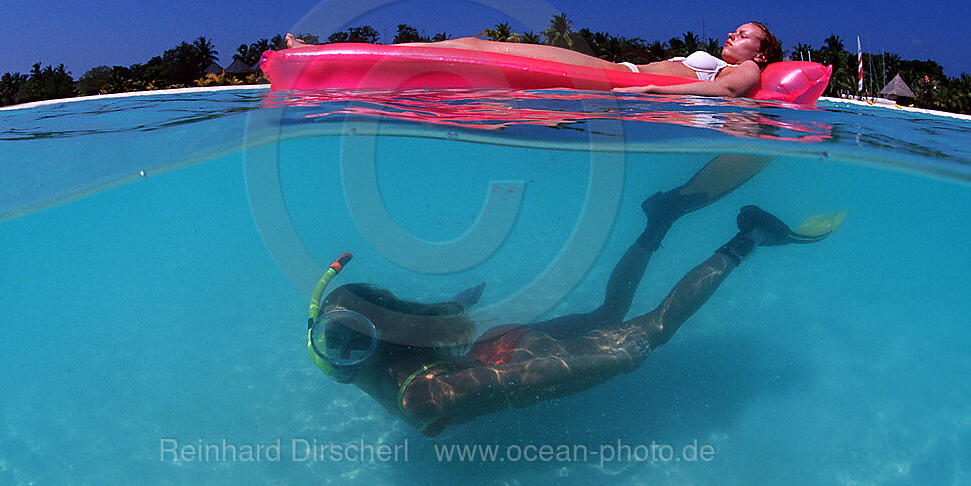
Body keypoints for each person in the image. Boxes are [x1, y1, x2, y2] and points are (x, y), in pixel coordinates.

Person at [306, 155, 842, 436]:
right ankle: (660, 220)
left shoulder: (379, 374)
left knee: (650, 331)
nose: (342, 353)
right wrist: (457, 308)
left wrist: (609, 357)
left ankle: (749, 238)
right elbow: (412, 320)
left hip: (502, 364)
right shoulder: (339, 327)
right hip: (498, 347)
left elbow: (516, 379)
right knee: (610, 311)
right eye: (338, 341)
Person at [285, 22, 784, 98]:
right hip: (614, 74)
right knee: (472, 43)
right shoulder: (726, 59)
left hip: (616, 82)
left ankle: (321, 59)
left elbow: (726, 91)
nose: (732, 35)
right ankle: (328, 59)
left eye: (744, 35)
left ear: (760, 52)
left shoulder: (749, 69)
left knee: (475, 50)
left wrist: (654, 91)